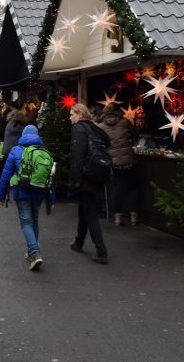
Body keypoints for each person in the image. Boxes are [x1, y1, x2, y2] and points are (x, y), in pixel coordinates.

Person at [0, 124, 55, 271]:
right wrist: (51, 200)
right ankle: (31, 252)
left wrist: (1, 195)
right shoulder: (44, 152)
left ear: (23, 135)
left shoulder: (16, 151)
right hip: (39, 192)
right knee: (34, 220)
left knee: (26, 223)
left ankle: (35, 253)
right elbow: (50, 179)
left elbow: (5, 175)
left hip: (22, 192)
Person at [68, 103, 111, 264]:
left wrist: (75, 180)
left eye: (72, 114)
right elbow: (108, 143)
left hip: (86, 176)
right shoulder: (95, 128)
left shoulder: (79, 129)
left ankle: (102, 251)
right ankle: (78, 242)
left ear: (79, 114)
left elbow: (77, 157)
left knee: (91, 213)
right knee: (84, 209)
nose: (70, 117)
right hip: (97, 173)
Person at [97, 103, 138, 226]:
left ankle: (117, 218)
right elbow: (135, 134)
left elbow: (100, 143)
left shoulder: (101, 126)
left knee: (116, 189)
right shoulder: (125, 122)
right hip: (128, 161)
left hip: (113, 162)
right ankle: (133, 217)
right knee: (133, 188)